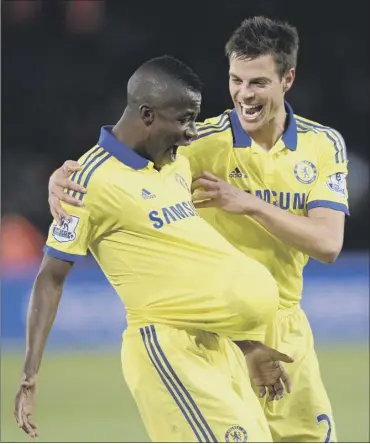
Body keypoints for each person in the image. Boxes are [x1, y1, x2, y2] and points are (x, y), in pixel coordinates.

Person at [49, 17, 350, 442]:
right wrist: (62, 176)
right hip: (218, 333)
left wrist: (248, 204)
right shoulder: (199, 143)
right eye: (236, 80)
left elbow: (327, 243)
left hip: (287, 329)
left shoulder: (324, 146)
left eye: (258, 82)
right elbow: (116, 164)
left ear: (288, 79)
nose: (244, 94)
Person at [15, 55, 293, 443]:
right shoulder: (86, 181)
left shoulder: (175, 166)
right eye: (183, 119)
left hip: (218, 344)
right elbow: (50, 277)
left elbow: (185, 275)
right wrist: (30, 376)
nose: (191, 131)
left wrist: (247, 343)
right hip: (167, 350)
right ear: (147, 114)